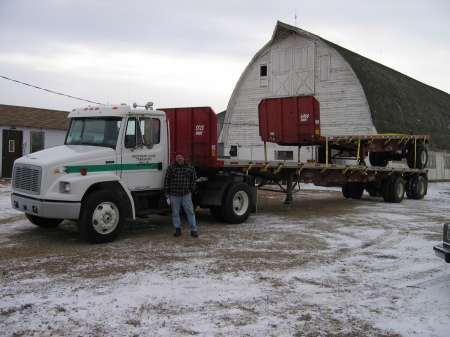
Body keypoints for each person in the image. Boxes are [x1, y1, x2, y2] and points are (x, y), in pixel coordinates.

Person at [164, 150, 198, 237]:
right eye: (177, 157)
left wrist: (190, 189)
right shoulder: (171, 168)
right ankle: (178, 229)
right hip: (174, 194)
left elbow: (194, 179)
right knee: (175, 213)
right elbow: (167, 181)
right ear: (176, 159)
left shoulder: (189, 167)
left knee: (190, 212)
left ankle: (193, 230)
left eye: (180, 157)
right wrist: (167, 193)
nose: (179, 158)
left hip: (185, 194)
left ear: (183, 158)